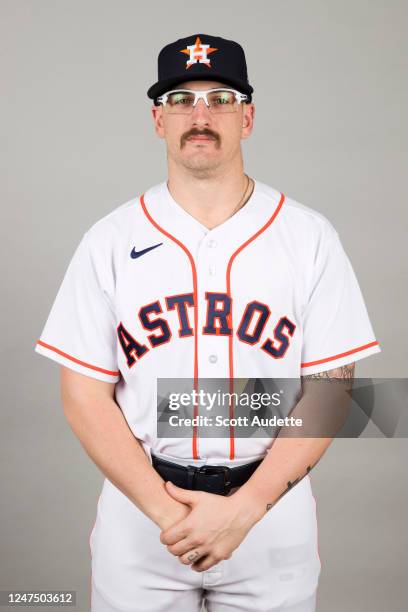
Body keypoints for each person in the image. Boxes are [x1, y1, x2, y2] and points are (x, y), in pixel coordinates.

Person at [34, 34, 381, 611]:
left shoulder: (309, 237)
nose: (200, 116)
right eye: (180, 100)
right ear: (157, 120)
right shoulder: (110, 241)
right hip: (143, 514)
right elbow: (84, 395)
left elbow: (330, 390)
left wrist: (247, 508)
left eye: (220, 98)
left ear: (247, 117)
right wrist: (169, 514)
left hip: (270, 510)